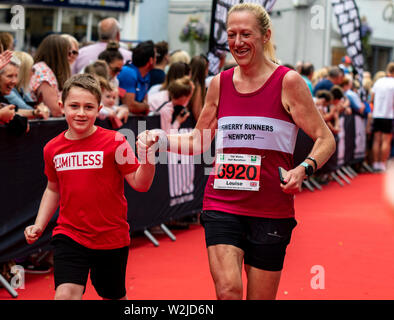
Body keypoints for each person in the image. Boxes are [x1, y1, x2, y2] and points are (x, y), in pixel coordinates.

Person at [138, 3, 336, 300]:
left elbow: (325, 138)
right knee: (228, 291)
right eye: (231, 35)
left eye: (246, 34)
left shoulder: (288, 82)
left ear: (265, 36)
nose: (237, 42)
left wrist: (303, 168)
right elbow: (198, 141)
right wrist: (160, 137)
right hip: (222, 204)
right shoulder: (220, 83)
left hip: (271, 209)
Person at [24, 74, 155, 300]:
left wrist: (149, 158)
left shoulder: (115, 141)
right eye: (74, 106)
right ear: (61, 106)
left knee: (113, 295)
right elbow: (53, 188)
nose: (81, 113)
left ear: (99, 109)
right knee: (65, 295)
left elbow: (140, 184)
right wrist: (39, 224)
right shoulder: (52, 148)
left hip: (111, 237)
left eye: (89, 107)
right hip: (69, 234)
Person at [29, 34, 71, 117]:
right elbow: (56, 110)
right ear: (60, 55)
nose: (71, 57)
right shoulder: (43, 73)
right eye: (68, 53)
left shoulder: (46, 69)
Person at [117, 40, 155, 115]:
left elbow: (143, 105)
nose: (156, 60)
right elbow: (129, 106)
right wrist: (145, 106)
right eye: (155, 57)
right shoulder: (128, 72)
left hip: (139, 118)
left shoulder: (147, 75)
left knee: (144, 125)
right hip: (122, 120)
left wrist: (144, 107)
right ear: (151, 60)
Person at [371, 62, 394, 172]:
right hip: (388, 114)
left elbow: (372, 97)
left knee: (376, 140)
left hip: (377, 114)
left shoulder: (379, 81)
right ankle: (383, 163)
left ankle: (376, 163)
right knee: (386, 141)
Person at [187, 55, 209, 122]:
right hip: (192, 127)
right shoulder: (197, 86)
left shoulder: (189, 83)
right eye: (207, 68)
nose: (208, 71)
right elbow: (198, 114)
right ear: (202, 70)